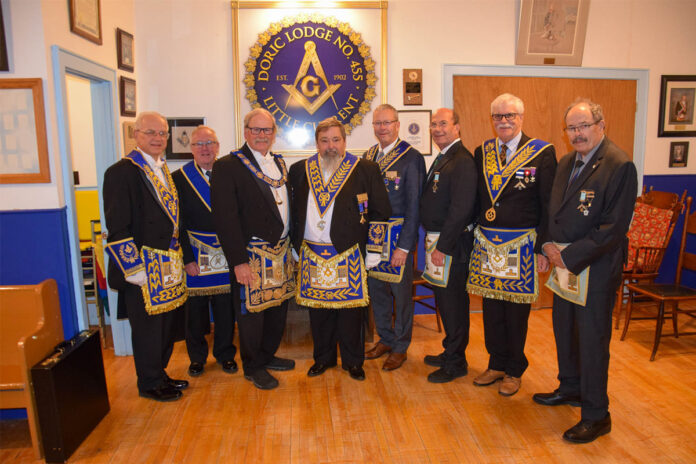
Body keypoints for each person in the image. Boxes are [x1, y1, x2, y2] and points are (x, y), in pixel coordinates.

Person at [533, 99, 637, 443]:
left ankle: (596, 414)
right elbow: (552, 211)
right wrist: (546, 246)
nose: (577, 134)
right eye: (571, 128)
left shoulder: (619, 165)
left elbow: (613, 227)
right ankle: (570, 387)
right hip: (563, 266)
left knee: (592, 342)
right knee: (564, 330)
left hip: (595, 268)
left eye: (583, 126)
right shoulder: (567, 162)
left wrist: (570, 256)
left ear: (600, 125)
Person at [467, 94, 557, 396]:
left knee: (516, 312)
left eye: (510, 116)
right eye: (498, 116)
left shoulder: (542, 152)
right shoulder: (483, 151)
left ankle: (515, 370)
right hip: (488, 244)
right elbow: (478, 198)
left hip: (522, 245)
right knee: (491, 309)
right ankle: (496, 363)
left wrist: (543, 247)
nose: (503, 121)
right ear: (492, 119)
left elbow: (549, 204)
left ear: (521, 117)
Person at [289, 117, 391, 381]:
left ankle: (353, 362)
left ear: (345, 141)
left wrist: (374, 249)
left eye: (335, 139)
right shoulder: (299, 170)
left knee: (351, 313)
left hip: (349, 252)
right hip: (311, 252)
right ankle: (323, 359)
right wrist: (294, 245)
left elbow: (380, 211)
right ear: (317, 143)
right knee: (318, 312)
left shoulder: (365, 169)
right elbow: (293, 212)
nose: (330, 146)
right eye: (324, 140)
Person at [103, 111, 188, 402]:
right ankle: (149, 383)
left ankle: (160, 374)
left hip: (167, 264)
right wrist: (132, 268)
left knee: (165, 327)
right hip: (142, 267)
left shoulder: (162, 168)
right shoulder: (121, 172)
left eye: (162, 133)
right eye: (150, 132)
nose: (157, 138)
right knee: (148, 329)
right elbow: (117, 226)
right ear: (136, 135)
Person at [211, 108, 296, 390]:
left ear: (274, 133)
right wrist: (238, 261)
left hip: (281, 252)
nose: (261, 135)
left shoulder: (279, 162)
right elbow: (225, 219)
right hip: (251, 255)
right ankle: (252, 366)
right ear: (246, 132)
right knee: (251, 315)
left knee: (277, 309)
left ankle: (267, 355)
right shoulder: (227, 166)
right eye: (256, 129)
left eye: (267, 130)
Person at [363, 104, 426, 371]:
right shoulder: (368, 155)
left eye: (387, 123)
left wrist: (405, 247)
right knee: (377, 292)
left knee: (401, 298)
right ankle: (385, 340)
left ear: (397, 125)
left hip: (398, 236)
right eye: (378, 123)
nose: (382, 128)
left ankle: (400, 347)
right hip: (373, 237)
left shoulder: (411, 157)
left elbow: (414, 206)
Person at [172, 126, 237, 377]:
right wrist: (187, 259)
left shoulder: (229, 173)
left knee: (225, 311)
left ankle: (225, 354)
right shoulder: (179, 178)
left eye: (210, 143)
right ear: (191, 148)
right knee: (195, 314)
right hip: (195, 253)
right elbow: (177, 223)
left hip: (227, 252)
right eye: (199, 144)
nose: (205, 148)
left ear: (218, 146)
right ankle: (197, 358)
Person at [420, 108, 477, 383]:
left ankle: (456, 362)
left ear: (457, 127)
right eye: (434, 124)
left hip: (451, 246)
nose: (437, 129)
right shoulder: (444, 157)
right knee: (444, 301)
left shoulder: (462, 160)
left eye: (443, 123)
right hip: (439, 241)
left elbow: (461, 209)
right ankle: (449, 351)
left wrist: (443, 246)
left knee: (454, 304)